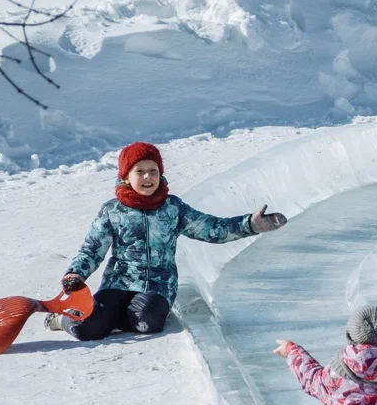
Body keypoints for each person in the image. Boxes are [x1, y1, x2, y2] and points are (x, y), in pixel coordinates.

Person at [47, 141, 287, 341]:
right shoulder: (112, 211)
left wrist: (251, 224)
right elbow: (91, 250)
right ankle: (65, 319)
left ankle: (114, 316)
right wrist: (75, 275)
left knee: (146, 322)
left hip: (157, 285)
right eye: (140, 171)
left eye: (153, 170)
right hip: (117, 284)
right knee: (85, 329)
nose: (148, 177)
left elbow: (213, 229)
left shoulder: (173, 208)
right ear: (126, 176)